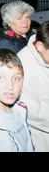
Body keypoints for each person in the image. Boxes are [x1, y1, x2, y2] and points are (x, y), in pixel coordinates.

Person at [0, 1, 36, 91]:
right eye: (19, 18)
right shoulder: (3, 43)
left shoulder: (31, 35)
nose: (25, 21)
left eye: (27, 17)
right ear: (9, 22)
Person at [17, 21, 49, 151]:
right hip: (39, 138)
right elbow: (27, 108)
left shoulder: (44, 56)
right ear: (40, 46)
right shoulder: (22, 66)